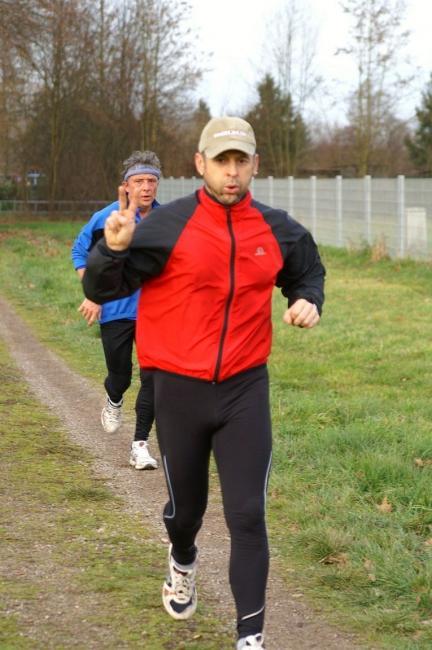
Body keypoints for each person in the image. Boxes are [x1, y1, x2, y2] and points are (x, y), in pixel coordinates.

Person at [82, 117, 325, 649]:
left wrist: (307, 299)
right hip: (178, 389)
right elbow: (104, 286)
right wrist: (112, 250)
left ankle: (251, 638)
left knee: (247, 514)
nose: (232, 172)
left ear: (256, 164)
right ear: (201, 164)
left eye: (241, 161)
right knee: (185, 511)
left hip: (244, 388)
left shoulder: (277, 228)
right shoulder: (167, 225)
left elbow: (307, 269)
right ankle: (182, 558)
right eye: (222, 161)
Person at [71, 150, 161, 470]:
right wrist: (92, 292)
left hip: (156, 314)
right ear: (125, 186)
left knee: (153, 378)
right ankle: (114, 398)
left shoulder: (168, 222)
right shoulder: (105, 218)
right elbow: (80, 254)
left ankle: (140, 445)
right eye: (139, 181)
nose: (146, 187)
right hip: (117, 311)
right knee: (120, 375)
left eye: (152, 181)